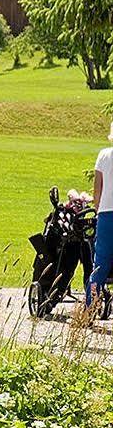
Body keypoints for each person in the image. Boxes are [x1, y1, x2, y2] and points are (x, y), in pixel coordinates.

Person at [89, 122, 113, 314]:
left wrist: (98, 209)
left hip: (106, 213)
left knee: (100, 264)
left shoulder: (104, 155)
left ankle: (90, 308)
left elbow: (97, 188)